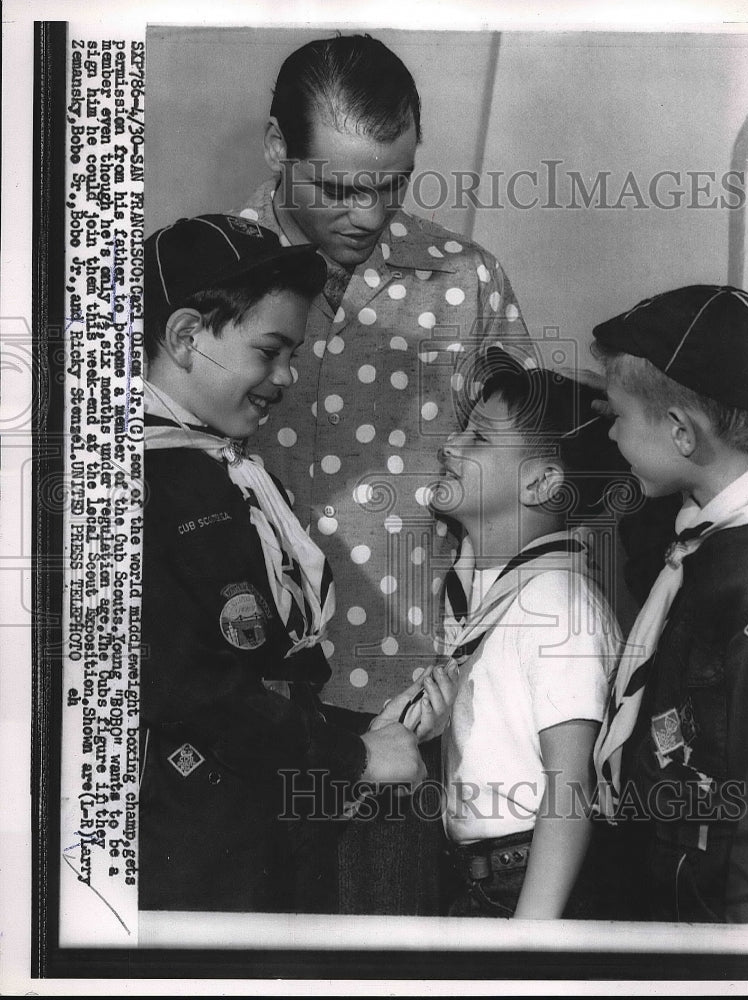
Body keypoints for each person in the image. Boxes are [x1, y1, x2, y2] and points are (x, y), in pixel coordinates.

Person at [233, 30, 536, 916]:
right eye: (336, 187)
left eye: (391, 184)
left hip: (400, 703)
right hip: (236, 700)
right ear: (276, 147)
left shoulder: (467, 283)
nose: (365, 215)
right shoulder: (202, 279)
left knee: (385, 950)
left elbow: (522, 490)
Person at [139, 214, 454, 914]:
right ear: (187, 336)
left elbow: (269, 667)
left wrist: (362, 740)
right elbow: (196, 691)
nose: (286, 377)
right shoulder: (140, 486)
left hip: (257, 825)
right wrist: (358, 759)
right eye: (271, 351)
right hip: (191, 846)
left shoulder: (230, 471)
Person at [592, 284, 748, 924]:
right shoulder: (699, 541)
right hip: (674, 885)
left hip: (724, 916)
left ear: (679, 431)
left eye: (616, 415)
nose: (610, 433)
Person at [429, 356, 625, 918]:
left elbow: (571, 788)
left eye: (479, 438)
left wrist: (528, 940)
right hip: (481, 876)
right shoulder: (487, 591)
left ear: (542, 482)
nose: (449, 445)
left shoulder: (555, 600)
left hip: (525, 885)